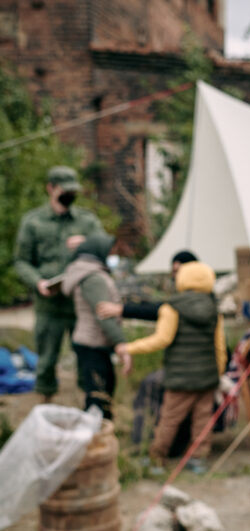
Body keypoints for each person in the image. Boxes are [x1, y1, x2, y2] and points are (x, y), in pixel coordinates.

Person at [117, 260, 226, 473]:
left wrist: (131, 348)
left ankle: (157, 458)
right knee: (202, 420)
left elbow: (162, 339)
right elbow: (220, 346)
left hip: (180, 377)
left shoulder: (171, 308)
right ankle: (198, 459)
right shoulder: (214, 309)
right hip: (207, 376)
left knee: (169, 419)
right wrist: (217, 372)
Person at [13, 166, 105, 400]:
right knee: (45, 361)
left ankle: (91, 407)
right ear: (51, 188)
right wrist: (38, 282)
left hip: (80, 305)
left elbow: (104, 249)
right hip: (49, 306)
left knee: (87, 357)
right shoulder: (33, 222)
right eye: (65, 190)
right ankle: (44, 404)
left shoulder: (86, 220)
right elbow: (22, 261)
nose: (70, 195)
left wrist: (87, 243)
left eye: (73, 191)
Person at [60, 234, 130, 419]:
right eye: (110, 249)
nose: (112, 253)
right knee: (98, 396)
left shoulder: (89, 273)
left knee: (102, 390)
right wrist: (120, 343)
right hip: (92, 342)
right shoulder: (93, 277)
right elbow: (103, 313)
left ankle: (98, 433)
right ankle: (95, 437)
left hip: (92, 341)